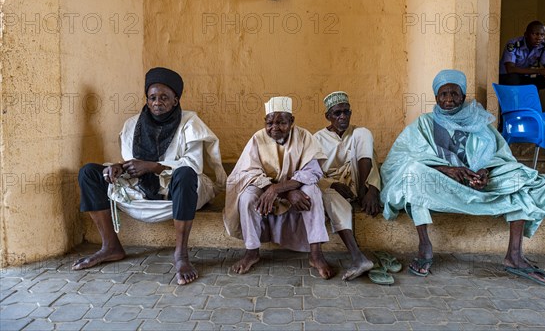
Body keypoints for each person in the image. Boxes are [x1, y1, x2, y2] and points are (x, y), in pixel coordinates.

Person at [380, 69, 545, 287]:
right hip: (442, 184)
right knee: (413, 173)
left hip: (479, 184)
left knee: (520, 177)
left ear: (463, 96)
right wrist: (449, 170)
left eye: (454, 94)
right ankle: (425, 246)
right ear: (436, 98)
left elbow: (501, 156)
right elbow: (402, 157)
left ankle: (514, 255)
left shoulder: (479, 122)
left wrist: (484, 172)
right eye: (443, 94)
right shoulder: (424, 123)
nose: (449, 99)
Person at [74, 67, 227, 285]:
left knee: (184, 174)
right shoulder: (132, 124)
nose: (157, 102)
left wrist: (153, 166)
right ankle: (110, 246)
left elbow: (193, 166)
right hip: (140, 188)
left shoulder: (189, 123)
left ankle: (181, 255)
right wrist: (118, 167)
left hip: (180, 190)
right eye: (152, 98)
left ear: (176, 100)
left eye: (164, 97)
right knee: (89, 172)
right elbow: (130, 161)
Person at [224, 97, 334, 279]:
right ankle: (252, 252)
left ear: (292, 121)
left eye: (281, 122)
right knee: (246, 197)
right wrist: (273, 189)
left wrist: (282, 189)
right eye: (270, 123)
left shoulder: (304, 136)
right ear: (265, 123)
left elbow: (312, 171)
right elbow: (248, 171)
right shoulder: (257, 138)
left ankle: (316, 255)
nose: (274, 127)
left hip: (295, 186)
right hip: (266, 186)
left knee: (312, 192)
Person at [313, 91, 380, 280]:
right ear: (328, 116)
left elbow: (372, 162)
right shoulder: (317, 138)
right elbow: (313, 174)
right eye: (337, 113)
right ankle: (358, 257)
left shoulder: (358, 133)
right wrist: (333, 184)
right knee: (330, 197)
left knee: (363, 132)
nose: (343, 117)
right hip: (334, 186)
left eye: (346, 112)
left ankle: (363, 191)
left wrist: (372, 190)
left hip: (359, 182)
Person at [499, 21, 545, 131]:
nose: (539, 38)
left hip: (526, 77)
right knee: (514, 78)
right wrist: (540, 71)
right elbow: (510, 69)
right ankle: (509, 122)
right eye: (535, 34)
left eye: (542, 35)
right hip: (506, 79)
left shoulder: (543, 45)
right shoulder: (513, 44)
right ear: (526, 34)